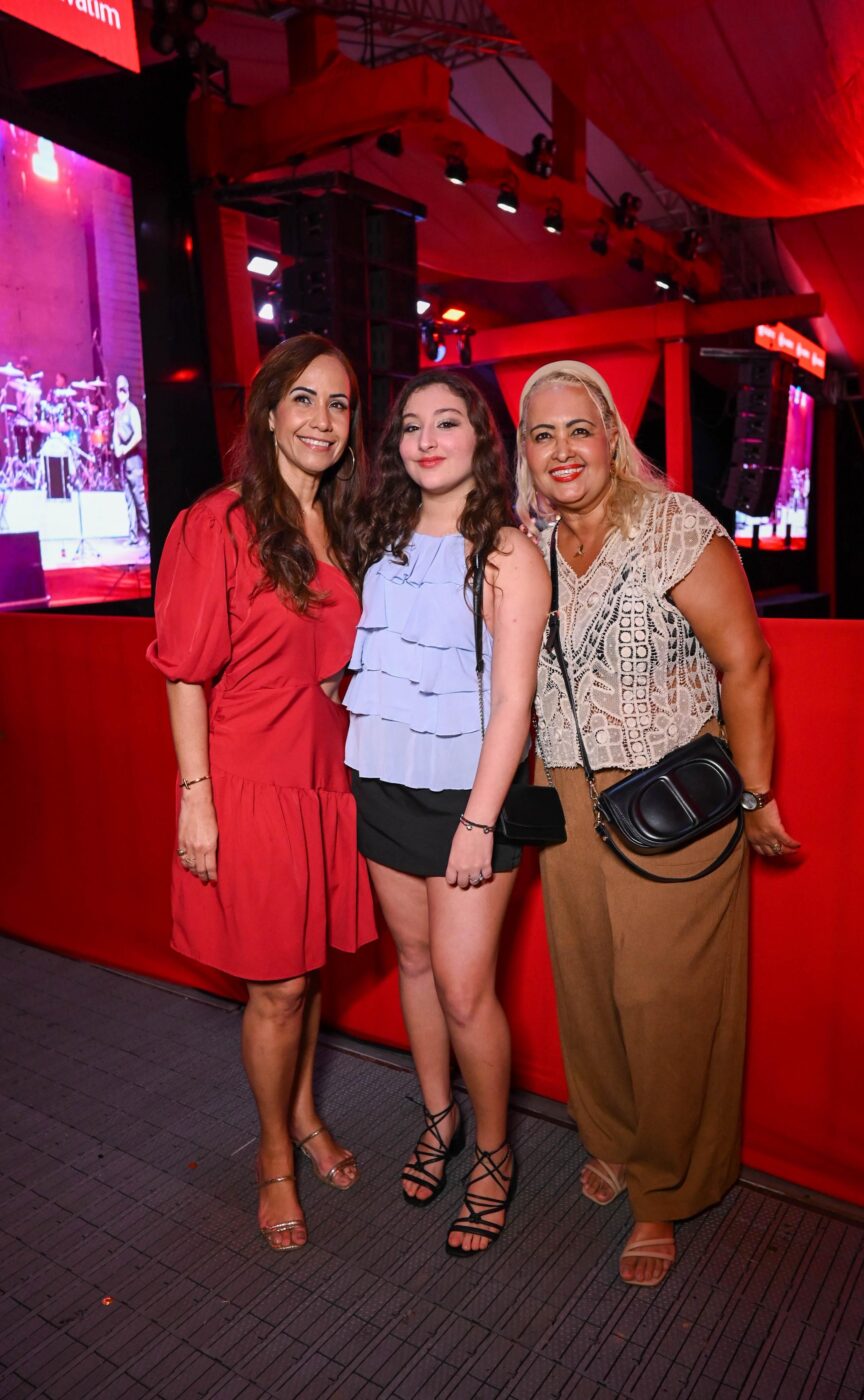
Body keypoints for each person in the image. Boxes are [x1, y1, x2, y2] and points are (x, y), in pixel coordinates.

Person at [516, 360, 800, 1287]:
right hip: (564, 798)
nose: (561, 451)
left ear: (610, 435)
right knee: (590, 994)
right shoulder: (531, 545)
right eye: (540, 435)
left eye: (576, 429)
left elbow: (746, 665)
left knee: (666, 1006)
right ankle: (617, 1141)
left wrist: (755, 798)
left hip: (671, 805)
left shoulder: (674, 525)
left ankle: (664, 1191)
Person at [148, 334, 378, 1252]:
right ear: (270, 412)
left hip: (326, 777)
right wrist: (194, 798)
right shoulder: (219, 522)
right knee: (277, 987)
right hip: (249, 782)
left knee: (309, 967)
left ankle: (310, 1116)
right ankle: (275, 1154)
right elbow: (182, 673)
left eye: (342, 404)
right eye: (307, 401)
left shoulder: (344, 527)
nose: (325, 421)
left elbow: (334, 652)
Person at [345, 369, 549, 1256]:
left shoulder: (507, 551)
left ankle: (495, 1155)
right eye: (411, 426)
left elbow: (512, 707)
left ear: (480, 439)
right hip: (382, 781)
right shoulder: (379, 541)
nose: (426, 439)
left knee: (468, 993)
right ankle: (440, 1119)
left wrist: (477, 821)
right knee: (417, 967)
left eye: (448, 423)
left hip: (472, 800)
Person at [112, 374, 149, 547]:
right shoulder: (117, 412)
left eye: (124, 390)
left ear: (127, 391)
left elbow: (138, 435)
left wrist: (125, 449)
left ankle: (149, 536)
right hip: (123, 462)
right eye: (119, 391)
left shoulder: (132, 410)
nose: (121, 394)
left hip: (134, 460)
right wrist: (117, 446)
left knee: (139, 499)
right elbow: (115, 433)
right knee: (129, 501)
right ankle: (133, 536)